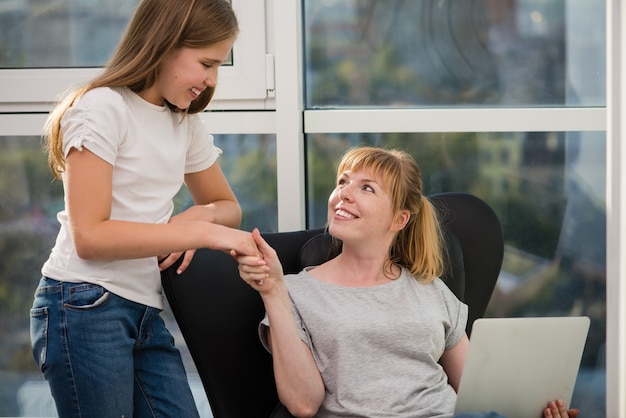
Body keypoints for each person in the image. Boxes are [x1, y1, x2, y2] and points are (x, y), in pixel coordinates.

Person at [29, 1, 259, 417]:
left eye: (219, 67)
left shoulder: (182, 124)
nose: (210, 81)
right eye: (206, 63)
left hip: (144, 312)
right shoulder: (102, 108)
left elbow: (228, 207)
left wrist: (198, 217)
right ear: (166, 44)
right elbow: (91, 238)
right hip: (82, 305)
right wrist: (200, 234)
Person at [234, 146, 580, 418]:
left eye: (366, 187)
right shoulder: (295, 291)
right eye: (342, 181)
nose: (344, 193)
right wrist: (274, 292)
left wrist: (534, 412)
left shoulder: (430, 289)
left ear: (400, 218)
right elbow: (303, 404)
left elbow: (476, 395)